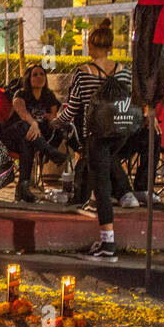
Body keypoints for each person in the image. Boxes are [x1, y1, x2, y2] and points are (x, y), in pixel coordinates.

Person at [53, 20, 141, 256]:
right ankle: (123, 193)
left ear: (91, 45)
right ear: (111, 45)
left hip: (97, 134)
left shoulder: (83, 72)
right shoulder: (124, 70)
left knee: (101, 185)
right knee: (106, 170)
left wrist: (55, 122)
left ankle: (107, 242)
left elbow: (72, 109)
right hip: (121, 132)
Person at [0, 63, 66, 202]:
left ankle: (22, 189)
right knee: (25, 126)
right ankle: (49, 151)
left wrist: (52, 119)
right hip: (11, 136)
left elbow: (54, 118)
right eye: (35, 74)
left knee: (27, 141)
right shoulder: (21, 93)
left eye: (42, 74)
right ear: (28, 78)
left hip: (32, 139)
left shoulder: (48, 96)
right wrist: (34, 124)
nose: (39, 77)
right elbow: (22, 112)